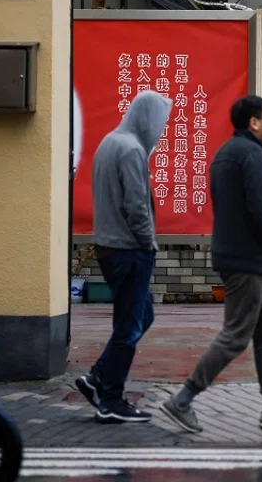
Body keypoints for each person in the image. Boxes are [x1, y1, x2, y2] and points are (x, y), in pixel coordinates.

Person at [161, 95, 262, 433]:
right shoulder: (251, 155)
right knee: (235, 335)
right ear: (254, 123)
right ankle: (182, 399)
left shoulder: (224, 154)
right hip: (248, 258)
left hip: (238, 254)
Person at [76, 90, 173, 424]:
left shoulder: (109, 142)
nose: (161, 130)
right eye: (160, 122)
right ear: (147, 118)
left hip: (110, 248)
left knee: (141, 317)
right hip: (130, 250)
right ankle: (111, 400)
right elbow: (136, 206)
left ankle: (96, 378)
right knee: (130, 327)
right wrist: (148, 243)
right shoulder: (131, 149)